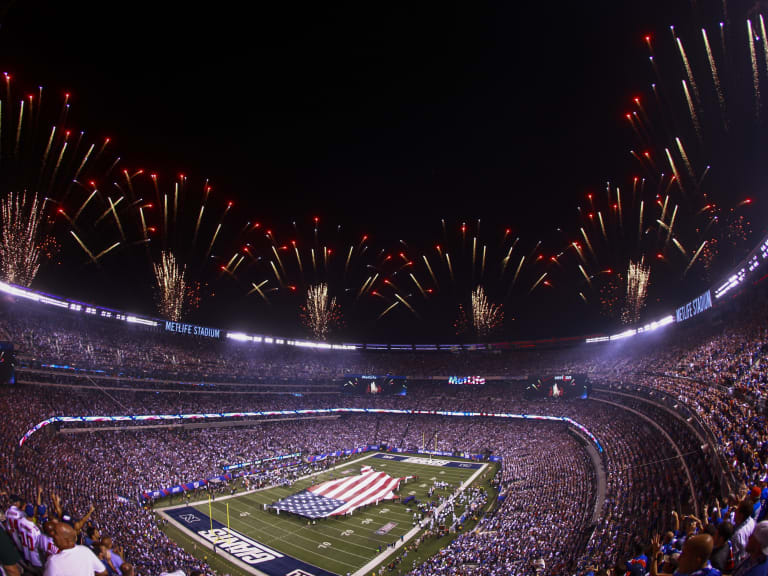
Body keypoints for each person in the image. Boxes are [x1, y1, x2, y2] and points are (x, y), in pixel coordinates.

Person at [43, 522, 107, 576]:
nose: (52, 535)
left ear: (66, 540)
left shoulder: (54, 561)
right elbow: (103, 572)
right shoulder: (85, 551)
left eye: (55, 533)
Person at [650, 533, 720, 576]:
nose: (679, 559)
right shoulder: (686, 571)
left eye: (684, 555)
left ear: (697, 560)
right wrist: (655, 554)